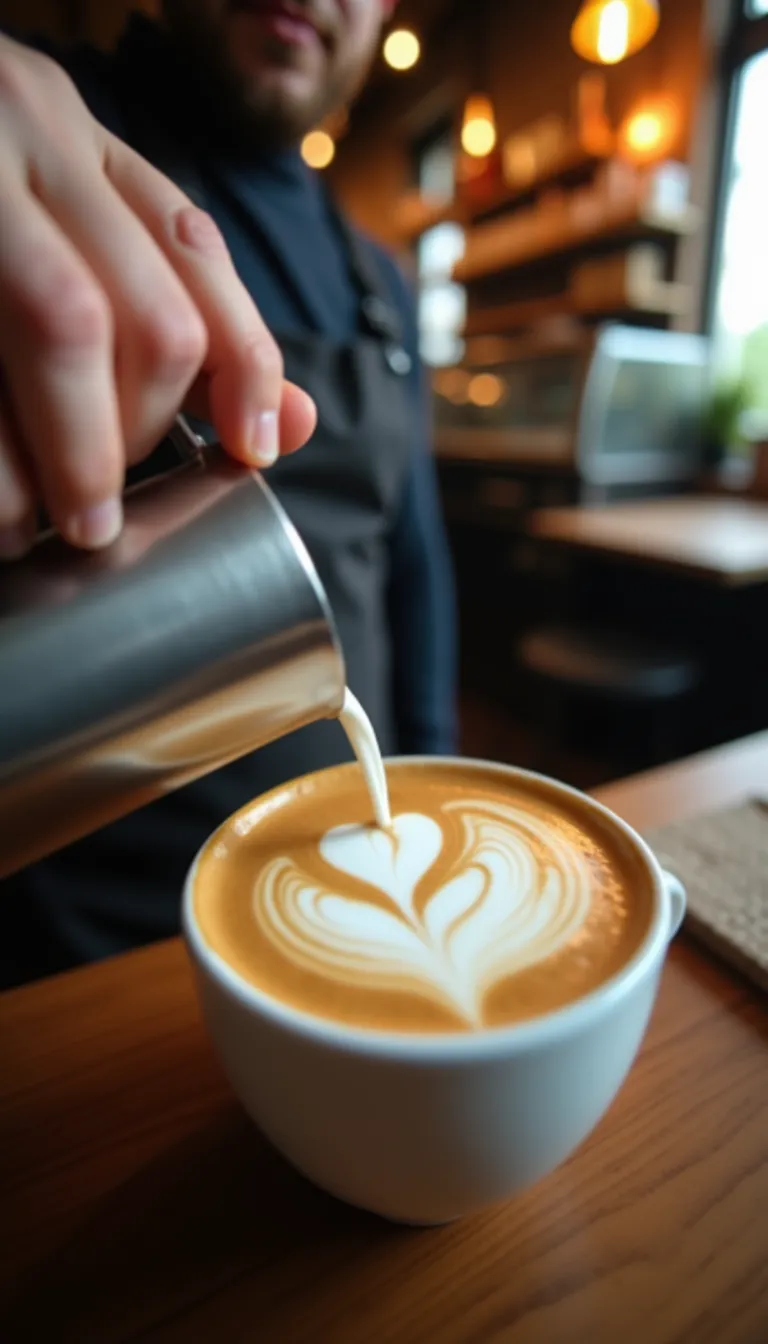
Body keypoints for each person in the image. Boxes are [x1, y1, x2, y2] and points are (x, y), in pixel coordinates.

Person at [0, 2, 457, 988]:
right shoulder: (49, 135)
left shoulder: (382, 282)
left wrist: (434, 781)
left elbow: (414, 569)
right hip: (94, 961)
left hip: (367, 894)